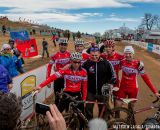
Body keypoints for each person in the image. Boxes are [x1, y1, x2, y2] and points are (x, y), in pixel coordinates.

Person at [36, 52, 87, 130]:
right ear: (71, 61)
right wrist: (40, 86)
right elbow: (52, 77)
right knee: (57, 112)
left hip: (77, 94)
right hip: (67, 94)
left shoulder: (83, 72)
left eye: (78, 62)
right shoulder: (65, 70)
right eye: (74, 62)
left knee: (81, 115)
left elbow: (84, 87)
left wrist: (84, 99)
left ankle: (81, 127)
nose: (76, 64)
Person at [82, 47, 116, 120]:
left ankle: (104, 123)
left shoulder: (106, 63)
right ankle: (89, 123)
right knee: (88, 108)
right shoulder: (86, 63)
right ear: (90, 54)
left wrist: (109, 84)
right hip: (90, 91)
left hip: (103, 91)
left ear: (99, 54)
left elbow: (113, 76)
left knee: (103, 110)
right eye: (92, 55)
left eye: (96, 55)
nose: (94, 57)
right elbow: (79, 72)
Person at [46, 38, 70, 105]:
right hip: (57, 79)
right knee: (57, 97)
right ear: (59, 45)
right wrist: (47, 79)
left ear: (67, 46)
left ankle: (66, 111)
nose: (63, 46)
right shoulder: (54, 56)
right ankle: (56, 110)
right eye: (61, 44)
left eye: (65, 45)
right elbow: (49, 67)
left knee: (67, 97)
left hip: (67, 79)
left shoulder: (70, 55)